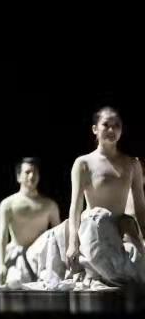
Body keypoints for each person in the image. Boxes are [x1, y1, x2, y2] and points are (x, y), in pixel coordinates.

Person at [62, 107, 145, 288]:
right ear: (95, 129)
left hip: (121, 229)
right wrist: (72, 243)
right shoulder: (83, 163)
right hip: (94, 229)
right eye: (106, 125)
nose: (111, 129)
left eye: (116, 125)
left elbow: (140, 207)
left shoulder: (132, 163)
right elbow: (75, 205)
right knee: (97, 218)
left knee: (137, 272)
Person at [0, 158, 60, 288]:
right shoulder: (8, 204)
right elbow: (2, 236)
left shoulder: (50, 205)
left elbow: (58, 237)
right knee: (13, 282)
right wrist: (1, 263)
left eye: (35, 172)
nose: (32, 176)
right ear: (19, 176)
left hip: (41, 256)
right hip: (17, 256)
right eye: (27, 172)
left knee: (50, 282)